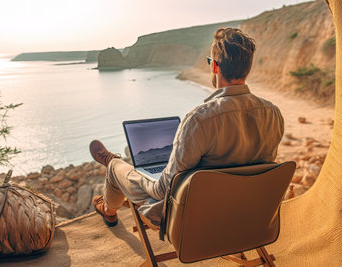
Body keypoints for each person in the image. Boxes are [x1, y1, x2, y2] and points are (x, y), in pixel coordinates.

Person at [89, 27, 284, 227]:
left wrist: (143, 177)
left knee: (118, 168)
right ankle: (111, 197)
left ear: (215, 66)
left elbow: (163, 191)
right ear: (247, 68)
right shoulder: (274, 114)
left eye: (209, 62)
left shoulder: (200, 119)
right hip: (247, 213)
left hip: (196, 219)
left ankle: (108, 203)